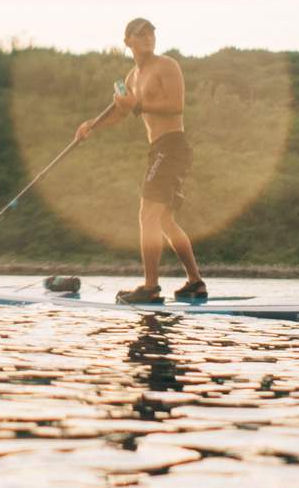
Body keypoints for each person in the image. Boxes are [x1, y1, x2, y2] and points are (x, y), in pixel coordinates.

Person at [74, 18, 207, 304]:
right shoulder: (132, 77)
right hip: (158, 149)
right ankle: (195, 282)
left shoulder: (167, 65)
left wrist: (136, 105)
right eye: (141, 35)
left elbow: (176, 105)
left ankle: (150, 287)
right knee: (164, 221)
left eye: (151, 34)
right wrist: (91, 126)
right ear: (127, 42)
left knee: (147, 214)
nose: (148, 38)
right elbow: (121, 113)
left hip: (172, 146)